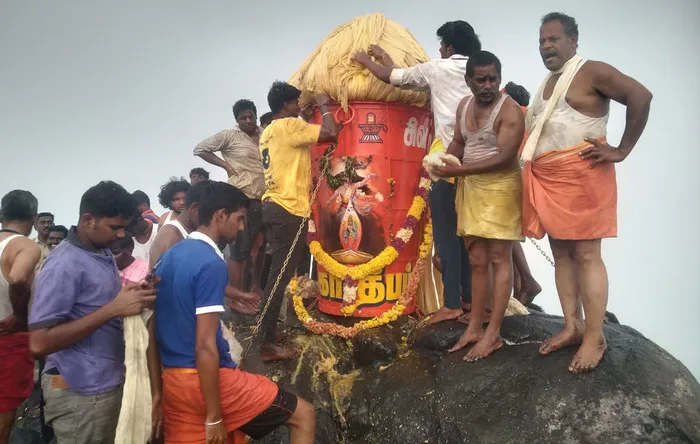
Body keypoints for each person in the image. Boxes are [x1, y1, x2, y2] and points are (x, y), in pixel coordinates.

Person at [523, 13, 652, 373]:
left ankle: (596, 336)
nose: (546, 46)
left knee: (586, 255)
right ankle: (572, 325)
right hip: (549, 178)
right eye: (541, 41)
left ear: (573, 41)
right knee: (561, 253)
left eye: (553, 39)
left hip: (583, 175)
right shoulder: (549, 82)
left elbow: (640, 96)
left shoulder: (592, 71)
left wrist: (622, 149)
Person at [153, 181, 316, 443]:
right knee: (304, 414)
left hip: (173, 381)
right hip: (208, 381)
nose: (242, 228)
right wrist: (215, 416)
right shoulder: (211, 262)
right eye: (239, 219)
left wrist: (157, 393)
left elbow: (151, 329)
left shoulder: (169, 256)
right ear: (220, 215)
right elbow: (205, 346)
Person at [354, 21, 481, 324]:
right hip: (478, 163)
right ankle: (468, 300)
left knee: (447, 235)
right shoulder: (479, 69)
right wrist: (385, 58)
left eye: (441, 45)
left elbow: (393, 79)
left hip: (446, 161)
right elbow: (400, 74)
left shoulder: (438, 68)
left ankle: (451, 304)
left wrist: (364, 61)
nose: (439, 49)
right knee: (467, 236)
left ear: (449, 47)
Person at [28, 181, 157, 444]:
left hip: (102, 382)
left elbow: (97, 302)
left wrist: (134, 293)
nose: (121, 234)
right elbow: (38, 342)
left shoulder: (101, 252)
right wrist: (113, 309)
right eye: (114, 227)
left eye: (124, 227)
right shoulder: (63, 264)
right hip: (79, 393)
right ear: (87, 220)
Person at [436, 51, 525, 362]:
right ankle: (475, 326)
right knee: (476, 258)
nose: (488, 85)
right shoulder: (464, 106)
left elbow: (505, 158)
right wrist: (443, 162)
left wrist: (457, 171)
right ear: (468, 81)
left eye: (493, 79)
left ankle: (493, 333)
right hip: (471, 188)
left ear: (499, 78)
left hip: (501, 187)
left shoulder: (510, 110)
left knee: (501, 258)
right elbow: (460, 142)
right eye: (481, 79)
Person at [258, 81, 337, 361]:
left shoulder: (269, 130)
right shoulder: (289, 126)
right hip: (289, 208)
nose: (298, 108)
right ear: (286, 106)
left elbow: (293, 139)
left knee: (276, 275)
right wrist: (324, 105)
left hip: (273, 205)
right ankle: (265, 344)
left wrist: (302, 115)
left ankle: (266, 334)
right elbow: (330, 132)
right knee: (278, 278)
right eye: (295, 104)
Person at [193, 99, 268, 310]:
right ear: (237, 120)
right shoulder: (229, 136)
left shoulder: (265, 133)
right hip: (242, 197)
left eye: (250, 116)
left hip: (266, 196)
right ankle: (236, 299)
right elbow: (200, 149)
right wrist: (224, 164)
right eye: (243, 118)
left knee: (260, 245)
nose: (248, 120)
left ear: (255, 114)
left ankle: (255, 288)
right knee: (239, 250)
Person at [148, 181, 259, 314]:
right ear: (195, 209)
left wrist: (240, 295)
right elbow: (168, 295)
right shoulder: (172, 236)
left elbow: (201, 279)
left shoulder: (196, 236)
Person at [0, 191, 41, 444]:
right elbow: (16, 277)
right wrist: (18, 314)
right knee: (3, 425)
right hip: (8, 339)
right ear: (34, 217)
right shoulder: (25, 245)